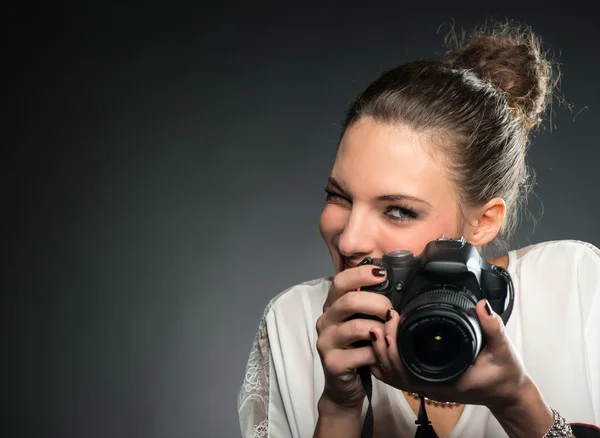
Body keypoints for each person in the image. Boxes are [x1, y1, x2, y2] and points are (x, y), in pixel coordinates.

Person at [236, 20, 600, 438]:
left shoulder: (575, 288)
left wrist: (516, 401)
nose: (350, 239)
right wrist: (340, 407)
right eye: (339, 196)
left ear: (485, 220)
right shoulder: (294, 322)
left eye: (398, 211)